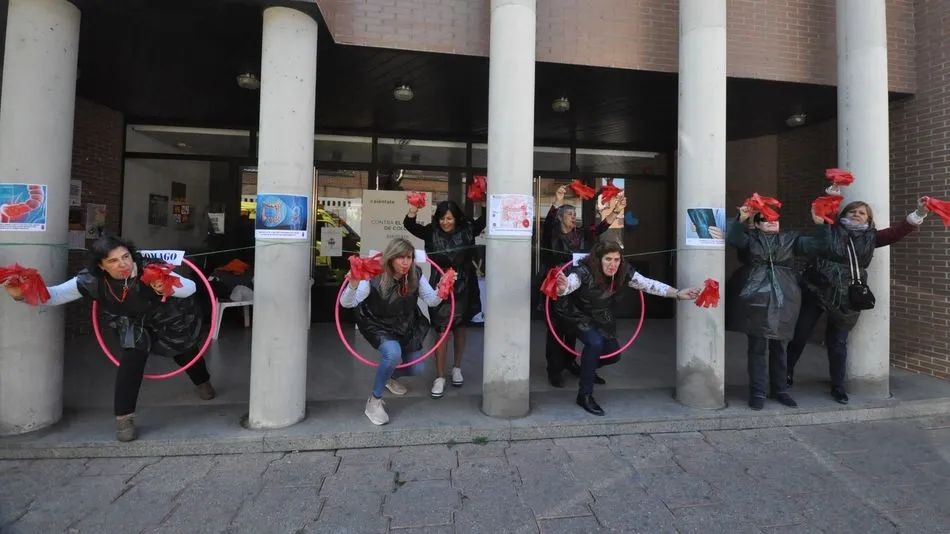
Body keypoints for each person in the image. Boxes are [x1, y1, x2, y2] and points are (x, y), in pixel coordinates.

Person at [2, 236, 215, 442]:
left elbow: (190, 287)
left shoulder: (151, 267)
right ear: (102, 266)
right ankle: (124, 419)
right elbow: (54, 296)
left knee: (185, 352)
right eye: (113, 261)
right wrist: (21, 293)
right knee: (131, 360)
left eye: (125, 257)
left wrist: (168, 285)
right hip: (132, 321)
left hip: (167, 317)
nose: (122, 264)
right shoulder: (90, 280)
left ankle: (202, 381)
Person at [786, 198, 931, 404]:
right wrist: (831, 194)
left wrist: (920, 212)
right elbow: (823, 215)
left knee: (838, 342)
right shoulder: (831, 229)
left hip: (847, 295)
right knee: (801, 334)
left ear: (869, 219)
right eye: (852, 211)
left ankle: (838, 385)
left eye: (862, 213)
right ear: (843, 215)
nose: (856, 214)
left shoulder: (872, 237)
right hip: (818, 288)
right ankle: (786, 373)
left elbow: (898, 232)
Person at [553, 240, 702, 416]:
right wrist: (562, 288)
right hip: (576, 312)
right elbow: (569, 285)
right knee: (594, 343)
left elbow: (648, 284)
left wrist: (678, 293)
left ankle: (588, 367)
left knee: (614, 354)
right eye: (608, 259)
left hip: (601, 314)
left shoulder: (624, 271)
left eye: (616, 259)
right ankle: (584, 395)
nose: (613, 264)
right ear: (598, 259)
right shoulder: (584, 271)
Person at [340, 238, 453, 425]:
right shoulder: (372, 275)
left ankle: (389, 377)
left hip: (407, 323)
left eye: (409, 257)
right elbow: (347, 303)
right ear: (390, 258)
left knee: (417, 367)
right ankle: (374, 401)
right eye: (400, 257)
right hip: (377, 323)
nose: (405, 262)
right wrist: (353, 283)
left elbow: (432, 301)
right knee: (392, 354)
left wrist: (443, 289)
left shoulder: (415, 273)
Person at [725, 205, 828, 410]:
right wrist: (740, 219)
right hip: (755, 298)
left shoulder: (791, 240)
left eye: (775, 218)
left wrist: (821, 225)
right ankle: (758, 392)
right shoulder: (750, 239)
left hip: (785, 298)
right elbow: (734, 238)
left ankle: (780, 390)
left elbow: (819, 244)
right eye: (765, 219)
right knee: (757, 348)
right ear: (757, 223)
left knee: (780, 347)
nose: (771, 222)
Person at [541, 184, 622, 387]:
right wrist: (557, 200)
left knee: (574, 327)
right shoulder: (552, 233)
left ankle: (571, 363)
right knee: (556, 329)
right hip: (556, 285)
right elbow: (549, 221)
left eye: (575, 214)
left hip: (576, 285)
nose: (573, 217)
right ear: (561, 217)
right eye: (569, 214)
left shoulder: (579, 234)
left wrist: (616, 210)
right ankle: (554, 369)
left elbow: (600, 228)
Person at [404, 199, 484, 399]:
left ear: (456, 218)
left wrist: (483, 202)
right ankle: (439, 377)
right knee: (441, 331)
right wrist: (413, 209)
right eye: (442, 218)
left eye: (449, 218)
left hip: (465, 285)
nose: (445, 222)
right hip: (441, 285)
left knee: (460, 328)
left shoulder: (467, 229)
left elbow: (483, 221)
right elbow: (410, 226)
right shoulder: (431, 232)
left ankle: (457, 368)